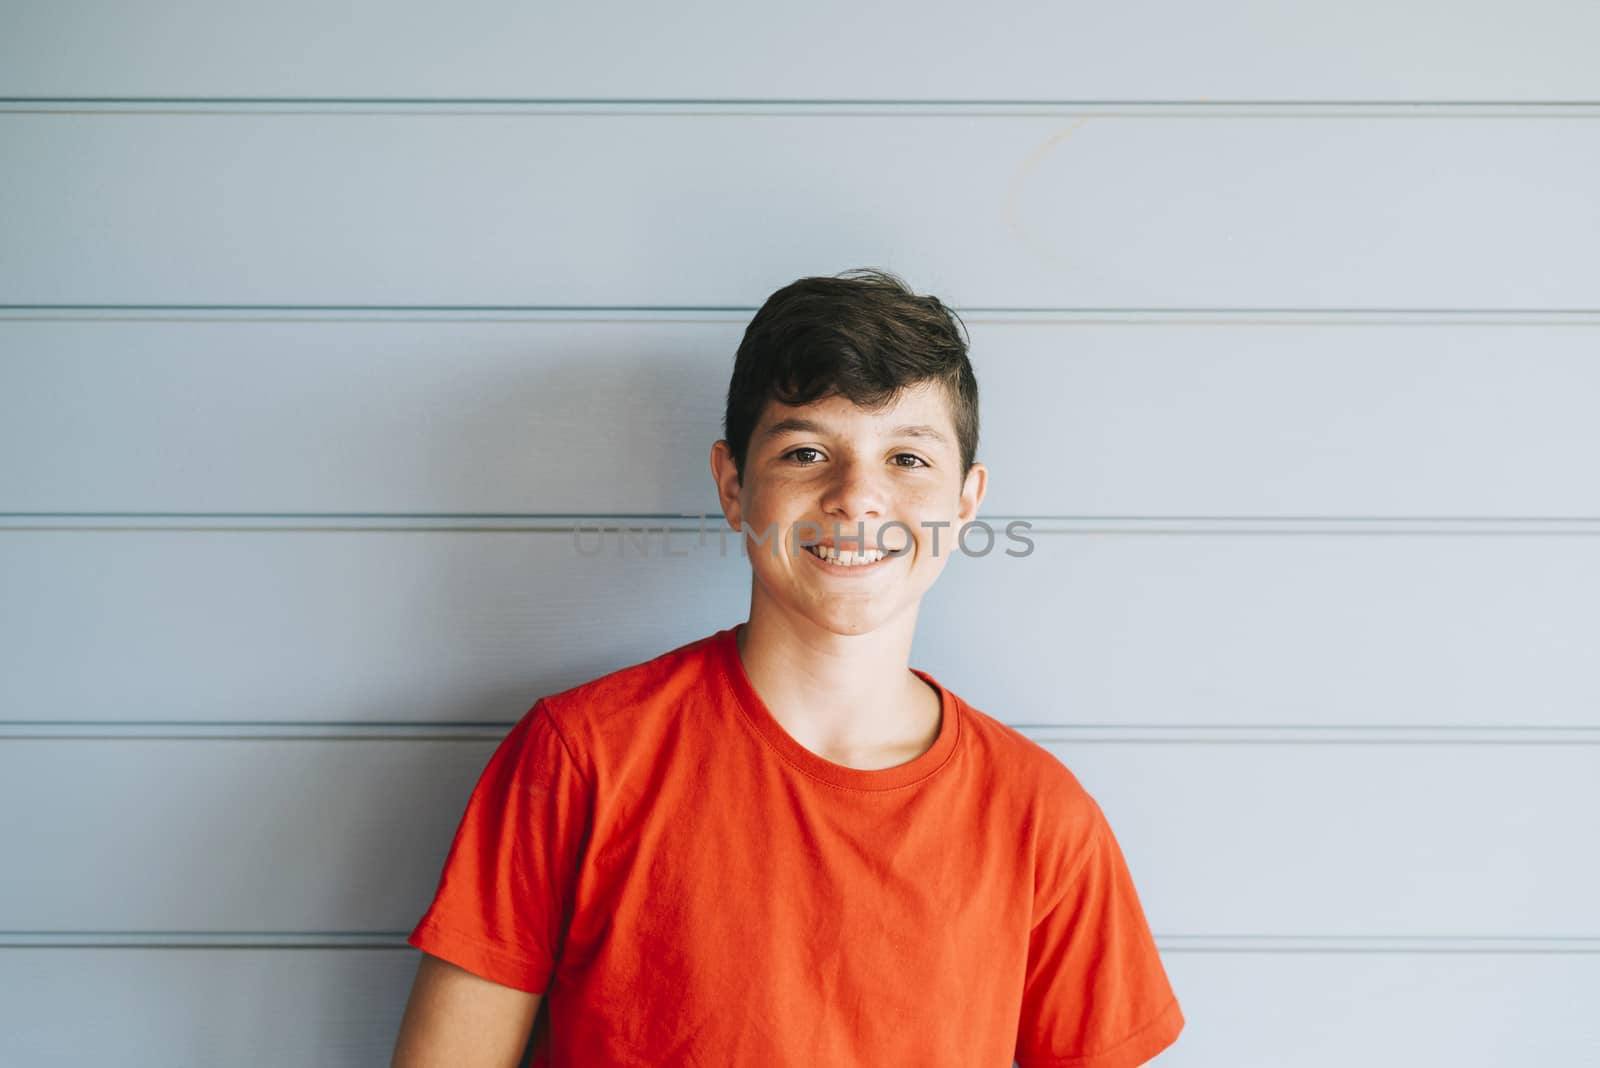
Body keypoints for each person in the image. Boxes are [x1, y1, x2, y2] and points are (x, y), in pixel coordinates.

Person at [390, 268, 1185, 1067]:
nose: (857, 497)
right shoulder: (581, 757)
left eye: (908, 459)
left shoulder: (1042, 818)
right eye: (807, 452)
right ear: (735, 486)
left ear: (966, 504)